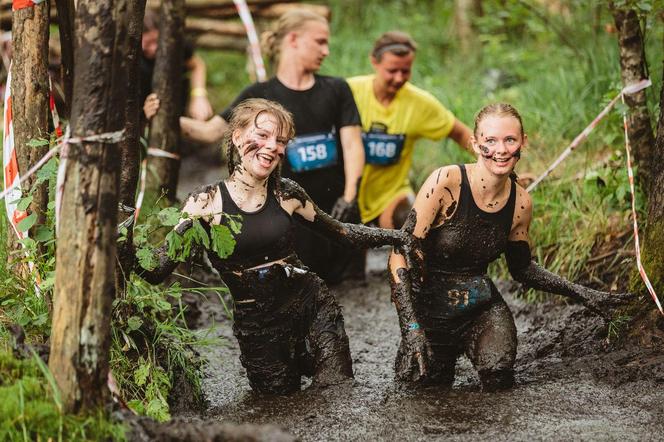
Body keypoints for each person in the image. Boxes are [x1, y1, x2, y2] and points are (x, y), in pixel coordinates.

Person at [137, 98, 409, 395]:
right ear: (238, 137)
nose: (272, 147)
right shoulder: (205, 203)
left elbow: (343, 233)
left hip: (311, 307)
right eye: (263, 135)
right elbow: (156, 270)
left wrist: (398, 236)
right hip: (259, 328)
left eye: (280, 141)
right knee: (277, 404)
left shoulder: (287, 194)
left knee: (339, 393)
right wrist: (122, 246)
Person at [388, 103, 629, 391]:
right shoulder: (446, 183)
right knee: (422, 393)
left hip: (482, 310)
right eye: (491, 141)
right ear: (476, 145)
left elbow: (523, 268)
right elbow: (399, 253)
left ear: (522, 143)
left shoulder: (521, 203)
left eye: (509, 140)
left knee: (498, 377)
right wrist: (412, 328)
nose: (500, 150)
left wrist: (584, 294)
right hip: (430, 313)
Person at [179, 9, 365, 284]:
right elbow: (209, 132)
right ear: (293, 40)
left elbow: (352, 146)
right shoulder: (259, 94)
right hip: (288, 218)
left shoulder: (337, 89)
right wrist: (164, 117)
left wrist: (349, 198)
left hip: (335, 211)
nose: (326, 50)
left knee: (351, 294)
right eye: (320, 41)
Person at [347, 31, 472, 229]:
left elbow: (461, 133)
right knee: (350, 249)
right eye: (392, 70)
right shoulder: (349, 91)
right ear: (374, 62)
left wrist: (495, 165)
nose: (399, 78)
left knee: (410, 224)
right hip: (348, 192)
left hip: (391, 196)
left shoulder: (420, 103)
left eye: (405, 71)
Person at [141, 9, 213, 122]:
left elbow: (196, 65)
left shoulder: (173, 43)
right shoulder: (130, 61)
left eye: (156, 41)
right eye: (148, 43)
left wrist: (198, 95)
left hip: (177, 106)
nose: (154, 48)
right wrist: (142, 114)